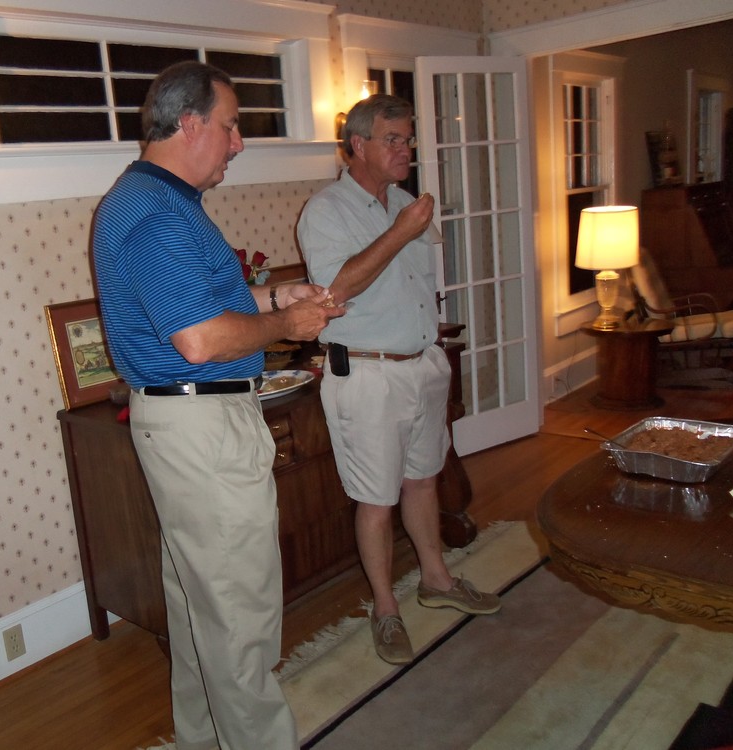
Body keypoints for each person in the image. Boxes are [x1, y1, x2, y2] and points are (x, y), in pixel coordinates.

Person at [92, 61, 344, 750]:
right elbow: (200, 340)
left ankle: (203, 740)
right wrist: (286, 326)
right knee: (239, 615)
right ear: (190, 123)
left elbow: (203, 306)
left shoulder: (159, 202)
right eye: (231, 127)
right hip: (200, 424)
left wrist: (277, 296)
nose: (239, 143)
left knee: (202, 606)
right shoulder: (154, 213)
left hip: (188, 422)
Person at [296, 94, 500, 666]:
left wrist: (407, 226)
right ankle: (385, 608)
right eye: (393, 139)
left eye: (408, 140)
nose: (405, 149)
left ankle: (437, 579)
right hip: (368, 374)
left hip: (422, 364)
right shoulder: (326, 211)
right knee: (376, 499)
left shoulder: (406, 203)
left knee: (423, 480)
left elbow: (414, 286)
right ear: (358, 145)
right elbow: (336, 290)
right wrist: (400, 232)